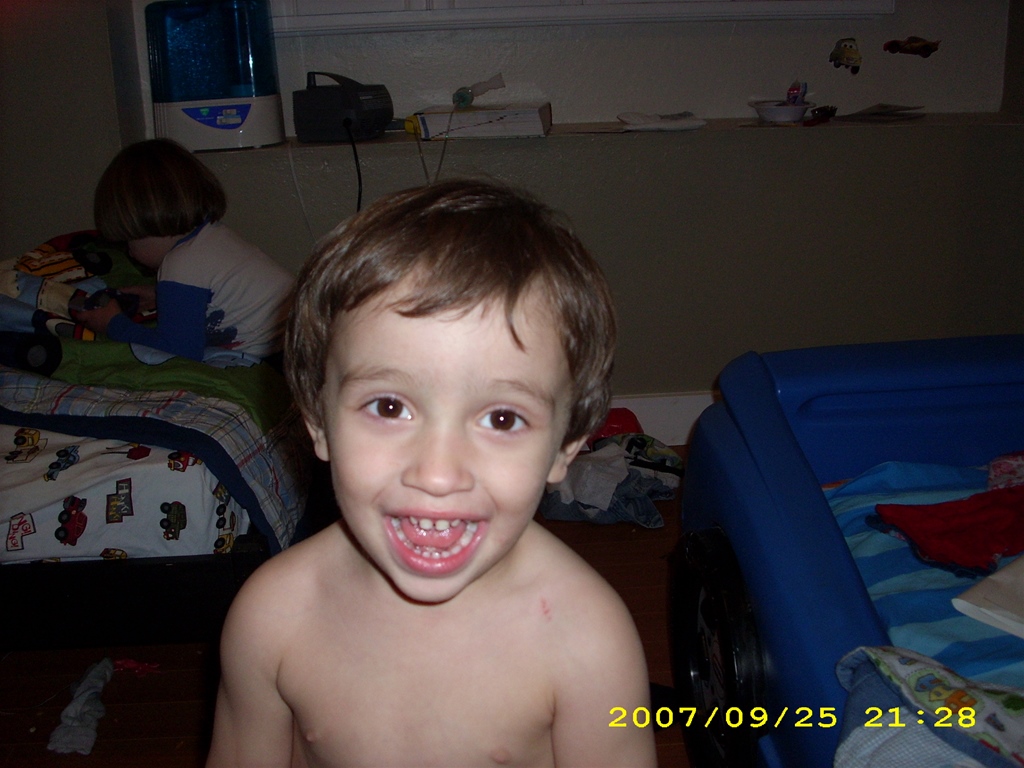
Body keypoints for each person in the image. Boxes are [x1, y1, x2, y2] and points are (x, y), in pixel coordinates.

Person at [207, 179, 657, 767]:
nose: (438, 474)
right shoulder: (272, 617)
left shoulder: (588, 641)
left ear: (565, 447)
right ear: (317, 419)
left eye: (502, 418)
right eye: (389, 407)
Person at [74, 138, 293, 367]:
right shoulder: (213, 235)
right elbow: (218, 291)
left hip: (283, 359)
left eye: (131, 240)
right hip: (304, 334)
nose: (129, 251)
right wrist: (161, 295)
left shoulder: (179, 263)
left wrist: (113, 325)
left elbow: (178, 351)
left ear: (152, 222)